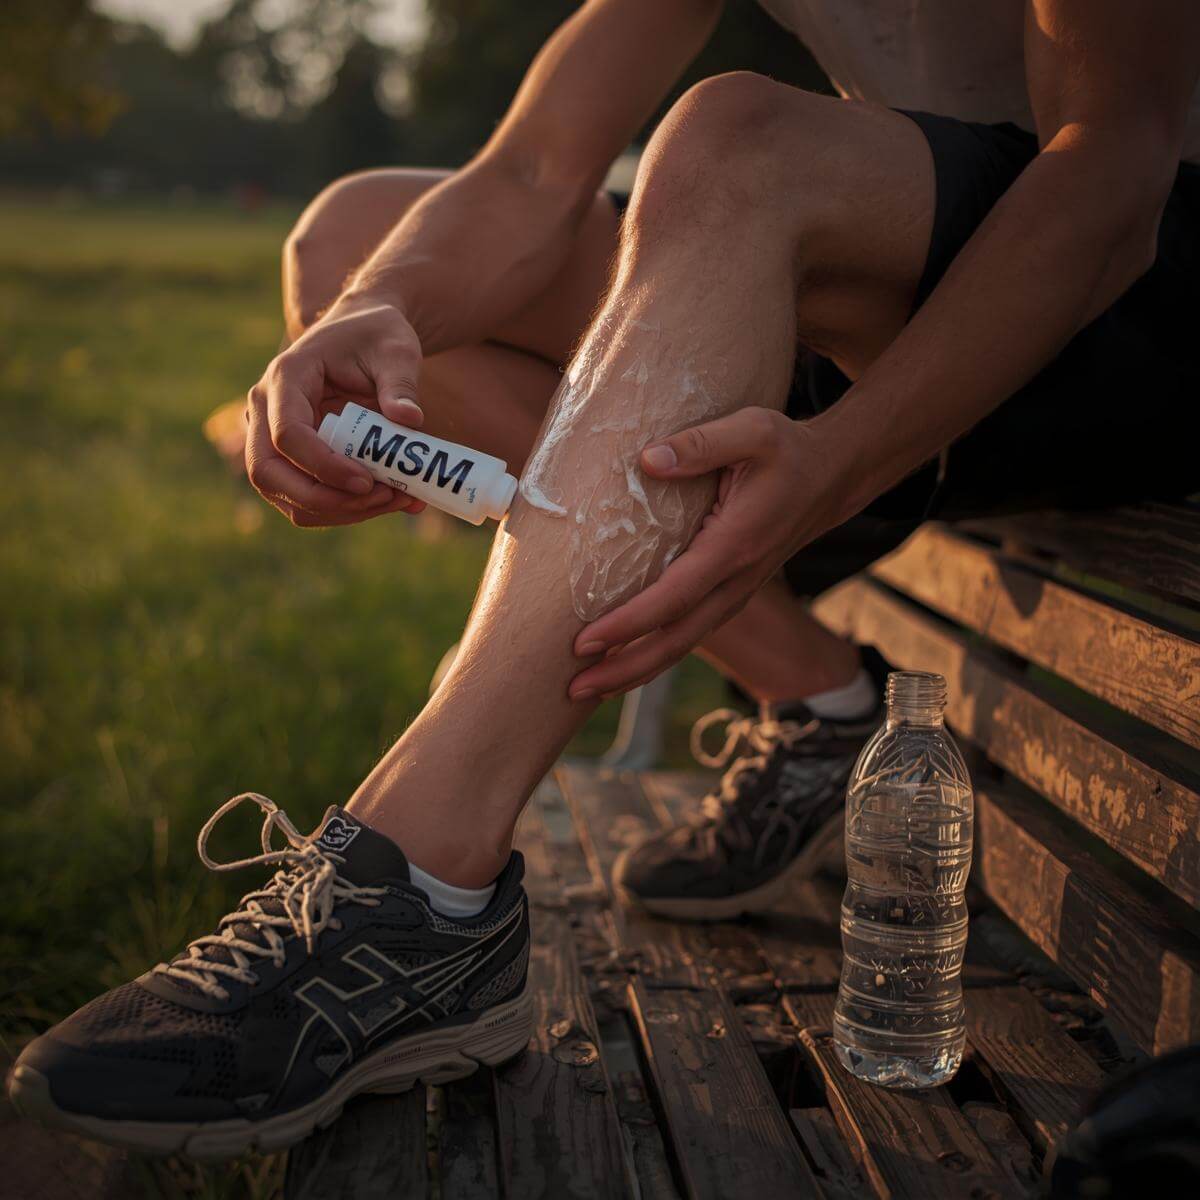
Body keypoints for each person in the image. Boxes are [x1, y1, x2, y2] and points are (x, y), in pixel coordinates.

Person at [9, 0, 1199, 1157]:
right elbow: (532, 169)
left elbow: (1113, 164)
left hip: (1122, 299)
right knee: (359, 236)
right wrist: (374, 304)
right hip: (881, 298)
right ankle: (823, 703)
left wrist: (840, 461)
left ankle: (419, 886)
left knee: (739, 138)